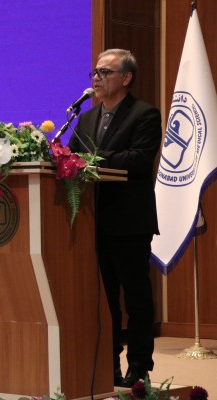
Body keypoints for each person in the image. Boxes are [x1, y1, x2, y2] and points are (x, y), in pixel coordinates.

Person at [68, 49, 162, 388]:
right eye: (95, 72)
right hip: (92, 222)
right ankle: (108, 364)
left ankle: (139, 365)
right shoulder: (86, 118)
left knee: (135, 298)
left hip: (130, 220)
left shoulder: (145, 114)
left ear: (126, 78)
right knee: (102, 300)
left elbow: (138, 159)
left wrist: (93, 157)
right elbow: (70, 156)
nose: (96, 78)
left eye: (105, 72)